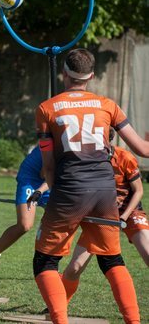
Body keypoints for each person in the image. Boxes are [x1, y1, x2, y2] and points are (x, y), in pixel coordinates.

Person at [34, 48, 149, 324]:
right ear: (92, 76)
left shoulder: (46, 108)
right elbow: (143, 149)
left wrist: (56, 192)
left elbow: (48, 166)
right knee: (111, 261)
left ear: (64, 73)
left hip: (69, 189)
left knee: (45, 262)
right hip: (105, 192)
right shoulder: (107, 105)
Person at [57, 128, 149, 309]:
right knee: (75, 267)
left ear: (108, 140)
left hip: (130, 213)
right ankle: (58, 306)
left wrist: (123, 215)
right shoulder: (85, 161)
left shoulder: (125, 158)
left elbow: (139, 191)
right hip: (102, 217)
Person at [0, 146, 49, 280]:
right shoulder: (58, 144)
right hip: (31, 178)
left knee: (56, 225)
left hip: (51, 179)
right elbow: (45, 173)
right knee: (25, 225)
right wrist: (39, 191)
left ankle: (49, 268)